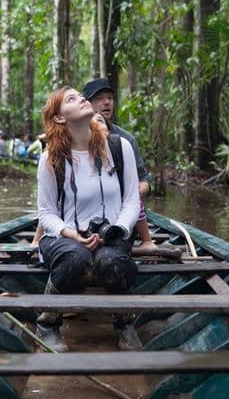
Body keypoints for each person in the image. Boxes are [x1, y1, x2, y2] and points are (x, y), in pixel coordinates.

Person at [36, 86, 143, 352]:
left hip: (112, 235)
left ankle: (125, 322)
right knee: (77, 257)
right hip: (64, 238)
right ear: (60, 118)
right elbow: (46, 213)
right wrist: (71, 234)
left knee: (111, 260)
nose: (82, 99)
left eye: (80, 96)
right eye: (71, 99)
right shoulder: (51, 157)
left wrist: (117, 229)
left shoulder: (119, 147)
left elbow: (132, 200)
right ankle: (48, 322)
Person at [82, 78, 156, 251]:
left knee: (131, 196)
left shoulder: (125, 140)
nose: (107, 102)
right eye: (99, 98)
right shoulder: (75, 137)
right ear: (86, 104)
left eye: (110, 98)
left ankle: (146, 240)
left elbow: (144, 179)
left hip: (120, 208)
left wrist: (133, 192)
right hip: (84, 208)